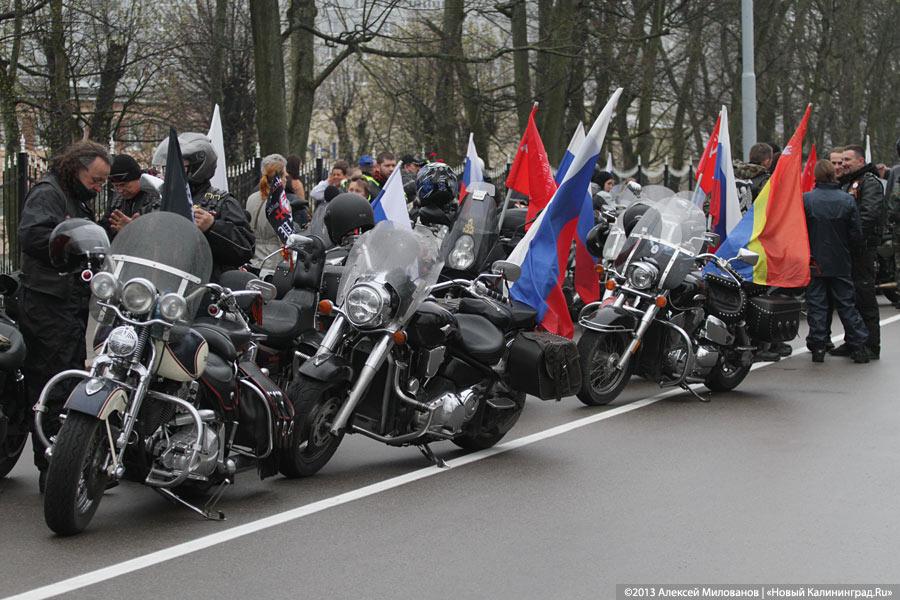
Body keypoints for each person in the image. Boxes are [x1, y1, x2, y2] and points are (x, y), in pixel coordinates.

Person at [17, 140, 111, 489]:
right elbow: (32, 235)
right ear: (77, 167)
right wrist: (72, 245)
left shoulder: (74, 198)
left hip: (66, 302)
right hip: (46, 303)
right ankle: (52, 469)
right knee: (52, 383)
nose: (98, 187)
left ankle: (66, 464)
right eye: (96, 179)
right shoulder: (48, 193)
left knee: (69, 378)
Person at [803, 159, 869, 364]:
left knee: (817, 305)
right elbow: (856, 234)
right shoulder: (846, 200)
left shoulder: (806, 199)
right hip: (840, 258)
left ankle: (818, 346)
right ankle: (859, 346)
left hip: (815, 260)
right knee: (846, 304)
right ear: (833, 174)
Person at [831, 144, 886, 359]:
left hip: (862, 250)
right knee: (849, 298)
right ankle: (852, 340)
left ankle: (871, 344)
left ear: (860, 161)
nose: (843, 164)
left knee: (864, 296)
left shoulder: (869, 183)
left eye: (847, 160)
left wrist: (851, 238)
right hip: (847, 250)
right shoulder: (846, 184)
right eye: (841, 160)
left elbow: (869, 215)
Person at [179, 133, 255, 280]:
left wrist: (213, 227)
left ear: (198, 166)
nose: (174, 171)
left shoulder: (223, 201)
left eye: (182, 166)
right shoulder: (166, 198)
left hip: (206, 285)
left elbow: (246, 248)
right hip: (170, 279)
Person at [245, 154, 289, 274]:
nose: (287, 176)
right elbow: (284, 237)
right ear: (278, 178)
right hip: (273, 264)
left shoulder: (251, 198)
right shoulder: (280, 203)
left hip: (253, 261)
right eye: (284, 173)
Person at [99, 154, 160, 239]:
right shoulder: (116, 199)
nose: (120, 190)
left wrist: (132, 230)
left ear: (139, 178)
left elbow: (159, 233)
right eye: (116, 186)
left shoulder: (156, 196)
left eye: (123, 185)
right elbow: (106, 225)